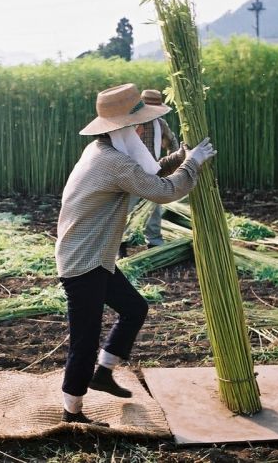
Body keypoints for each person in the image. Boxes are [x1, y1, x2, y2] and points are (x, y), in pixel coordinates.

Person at [55, 83, 216, 425]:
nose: (144, 130)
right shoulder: (112, 162)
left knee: (134, 308)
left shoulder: (102, 150)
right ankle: (72, 414)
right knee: (84, 339)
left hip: (96, 256)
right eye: (140, 125)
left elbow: (150, 171)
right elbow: (162, 190)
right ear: (124, 128)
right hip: (83, 262)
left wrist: (182, 157)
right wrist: (193, 165)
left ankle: (104, 372)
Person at [121, 89, 179, 254]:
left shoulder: (160, 124)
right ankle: (121, 245)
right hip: (130, 172)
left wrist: (172, 164)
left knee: (154, 209)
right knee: (126, 209)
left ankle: (154, 243)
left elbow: (172, 142)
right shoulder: (129, 123)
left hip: (153, 171)